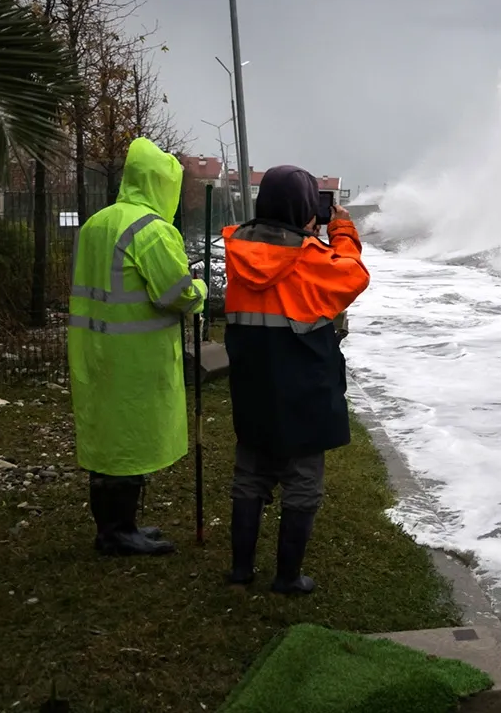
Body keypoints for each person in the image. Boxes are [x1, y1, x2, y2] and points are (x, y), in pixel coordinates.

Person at [221, 165, 370, 594]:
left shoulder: (237, 250)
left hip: (252, 388)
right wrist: (340, 229)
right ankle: (286, 577)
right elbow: (353, 274)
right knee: (302, 482)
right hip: (302, 394)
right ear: (306, 209)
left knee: (249, 474)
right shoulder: (311, 259)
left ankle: (240, 570)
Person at [68, 137, 206, 556]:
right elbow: (176, 294)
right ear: (163, 185)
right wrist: (199, 288)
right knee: (129, 439)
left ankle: (114, 526)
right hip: (135, 357)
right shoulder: (152, 231)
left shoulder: (97, 222)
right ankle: (119, 532)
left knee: (106, 439)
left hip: (94, 349)